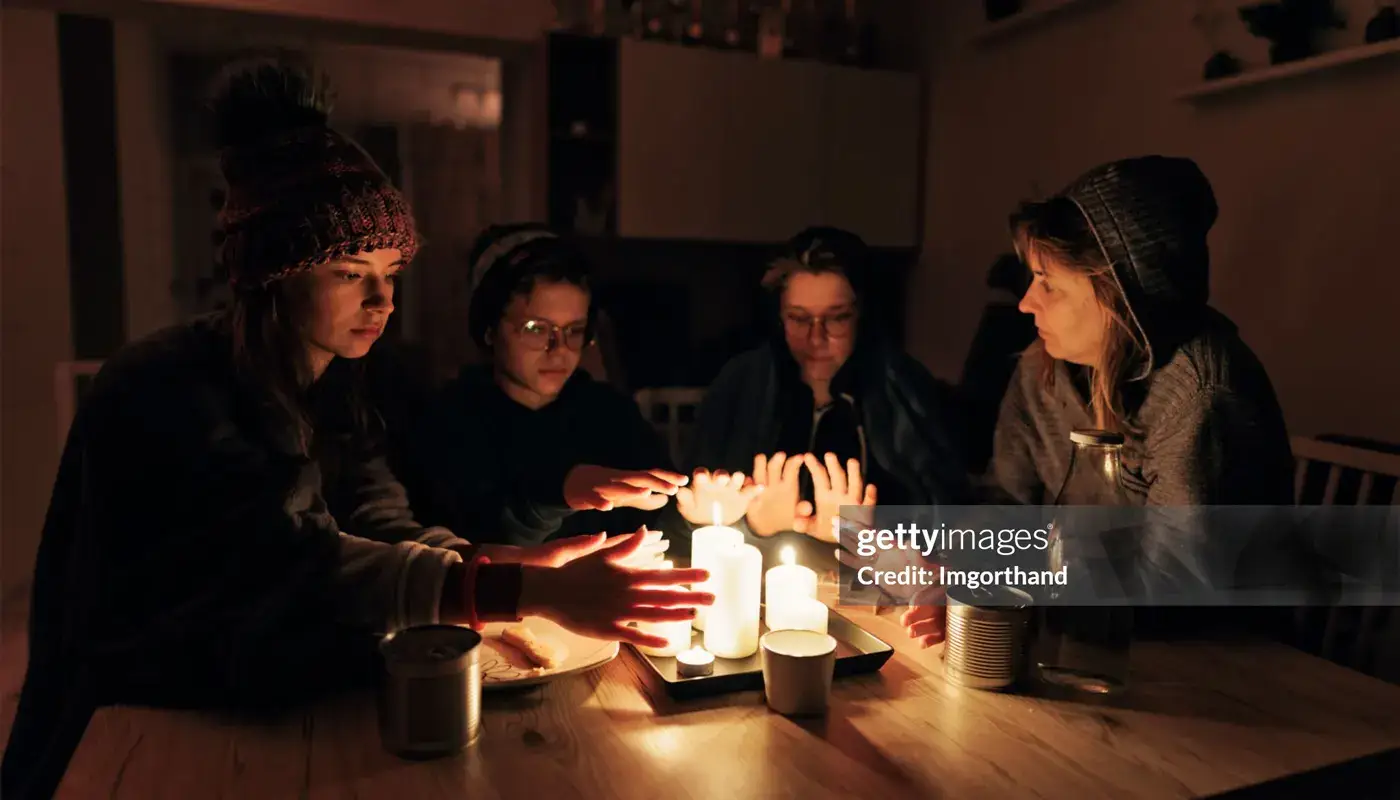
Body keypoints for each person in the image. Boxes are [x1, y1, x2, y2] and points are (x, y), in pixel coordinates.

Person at [1, 61, 709, 800]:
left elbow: (378, 519)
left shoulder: (338, 383)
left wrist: (505, 562)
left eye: (392, 270)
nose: (382, 299)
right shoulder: (167, 386)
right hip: (138, 719)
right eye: (349, 270)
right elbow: (296, 564)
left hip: (265, 696)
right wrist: (518, 588)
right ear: (272, 274)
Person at [900, 155, 1297, 649]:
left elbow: (1174, 592)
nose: (1026, 303)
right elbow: (1006, 502)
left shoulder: (1202, 395)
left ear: (1120, 297)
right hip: (1085, 642)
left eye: (1049, 284)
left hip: (1221, 669)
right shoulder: (1039, 366)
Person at [678, 227, 971, 551]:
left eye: (837, 318)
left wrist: (863, 537)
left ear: (862, 315)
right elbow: (684, 524)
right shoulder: (741, 384)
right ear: (778, 317)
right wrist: (744, 525)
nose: (816, 339)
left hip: (874, 593)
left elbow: (952, 533)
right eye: (798, 318)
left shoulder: (904, 389)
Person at [401, 224, 686, 547]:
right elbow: (467, 540)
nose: (559, 348)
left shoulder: (611, 413)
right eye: (536, 329)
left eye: (574, 330)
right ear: (490, 329)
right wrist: (560, 493)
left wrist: (696, 515)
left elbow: (668, 524)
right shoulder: (451, 420)